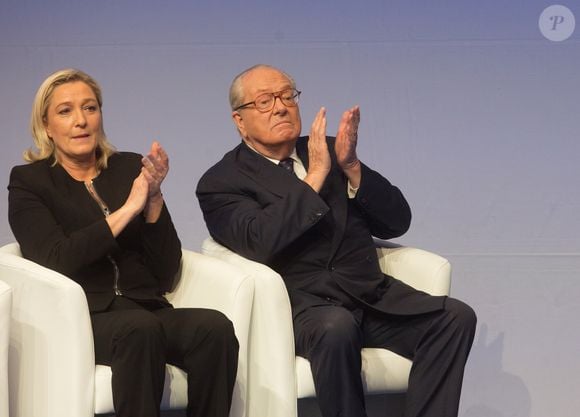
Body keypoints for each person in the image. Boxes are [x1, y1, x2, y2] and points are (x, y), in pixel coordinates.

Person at [196, 64, 477, 417]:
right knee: (336, 327)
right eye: (265, 101)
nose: (281, 107)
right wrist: (314, 177)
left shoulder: (332, 151)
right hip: (304, 308)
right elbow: (259, 241)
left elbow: (397, 221)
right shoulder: (221, 181)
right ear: (239, 121)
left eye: (287, 96)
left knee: (455, 318)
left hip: (370, 295)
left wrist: (352, 166)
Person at [8, 68, 238, 417]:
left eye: (90, 108)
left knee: (214, 328)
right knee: (139, 329)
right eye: (66, 111)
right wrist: (129, 208)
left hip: (144, 306)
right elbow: (56, 258)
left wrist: (154, 200)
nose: (81, 121)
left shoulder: (128, 167)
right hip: (83, 316)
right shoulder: (30, 182)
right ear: (46, 124)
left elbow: (165, 270)